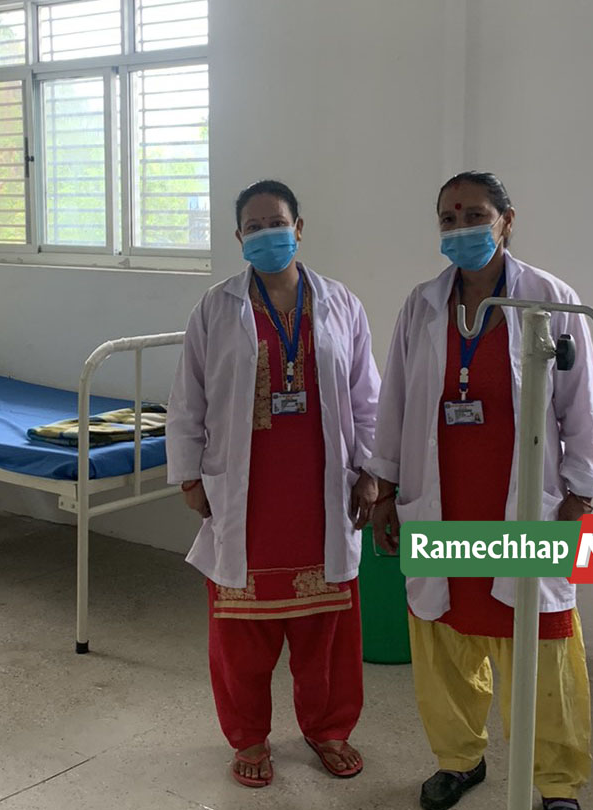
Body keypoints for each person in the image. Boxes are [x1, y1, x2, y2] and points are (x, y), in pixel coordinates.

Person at [367, 171, 593, 810]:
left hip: (523, 503)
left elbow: (580, 404)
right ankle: (458, 760)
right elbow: (395, 401)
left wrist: (580, 493)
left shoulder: (550, 299)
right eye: (448, 218)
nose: (461, 228)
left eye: (475, 214)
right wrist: (384, 489)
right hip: (441, 498)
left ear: (507, 219)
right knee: (443, 638)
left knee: (542, 642)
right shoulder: (422, 304)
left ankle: (556, 784)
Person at [167, 179, 381, 788]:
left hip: (322, 493)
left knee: (327, 627)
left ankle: (328, 727)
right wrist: (188, 475)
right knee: (241, 629)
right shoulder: (215, 307)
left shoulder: (341, 303)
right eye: (254, 227)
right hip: (247, 496)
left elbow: (367, 396)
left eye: (277, 223)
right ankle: (249, 736)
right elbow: (188, 398)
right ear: (239, 237)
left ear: (299, 227)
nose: (267, 235)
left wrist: (370, 470)